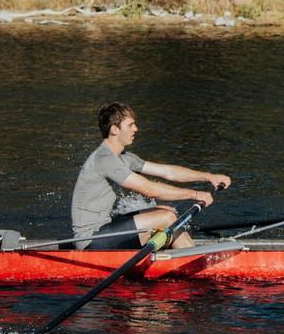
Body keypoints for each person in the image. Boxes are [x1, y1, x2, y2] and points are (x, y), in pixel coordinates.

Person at [71, 102, 231, 250]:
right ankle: (194, 261)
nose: (136, 129)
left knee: (166, 210)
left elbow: (168, 172)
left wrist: (209, 176)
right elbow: (148, 189)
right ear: (114, 129)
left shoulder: (125, 158)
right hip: (91, 241)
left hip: (105, 228)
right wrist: (195, 194)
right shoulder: (104, 159)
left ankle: (179, 251)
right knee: (167, 217)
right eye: (131, 124)